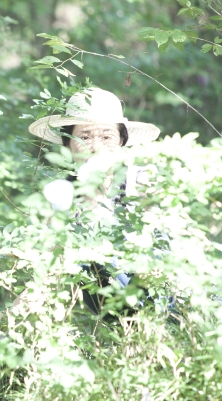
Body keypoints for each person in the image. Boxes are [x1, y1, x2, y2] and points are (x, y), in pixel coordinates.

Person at [28, 87, 161, 318]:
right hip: (118, 314)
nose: (96, 147)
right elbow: (48, 274)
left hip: (164, 297)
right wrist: (5, 319)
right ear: (67, 144)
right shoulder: (63, 199)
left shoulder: (142, 182)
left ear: (121, 141)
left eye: (107, 137)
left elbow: (166, 252)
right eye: (85, 137)